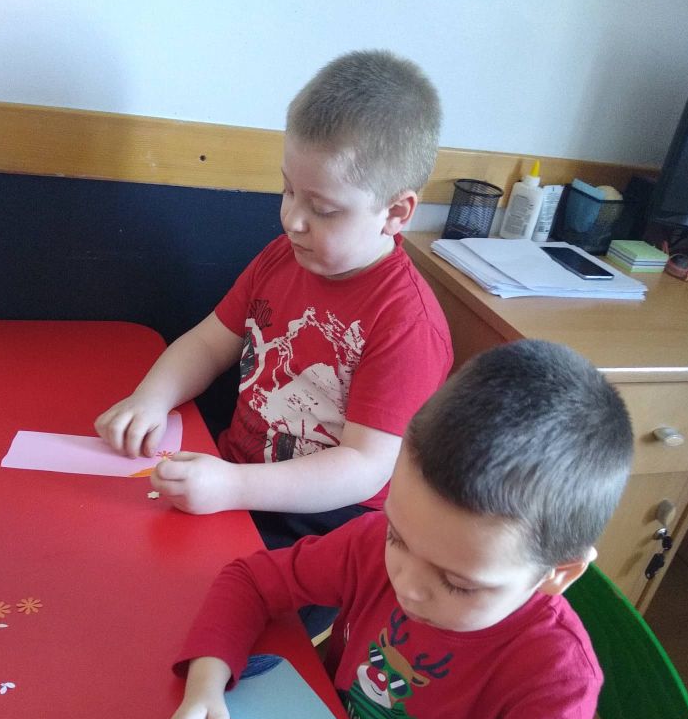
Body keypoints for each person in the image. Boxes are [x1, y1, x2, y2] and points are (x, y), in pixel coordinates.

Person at [153, 339, 634, 719]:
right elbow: (252, 580)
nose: (408, 583)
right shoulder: (379, 539)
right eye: (398, 538)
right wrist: (206, 686)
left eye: (458, 584)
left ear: (559, 574)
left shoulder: (554, 675)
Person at [95, 50, 452, 563]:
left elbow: (364, 467)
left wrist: (232, 486)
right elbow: (208, 343)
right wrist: (152, 398)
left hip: (325, 529)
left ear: (396, 212)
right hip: (232, 481)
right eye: (287, 190)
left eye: (322, 209)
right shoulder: (283, 256)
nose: (292, 220)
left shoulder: (407, 323)